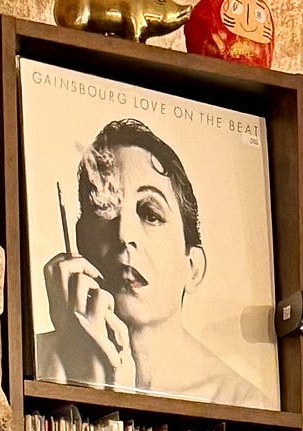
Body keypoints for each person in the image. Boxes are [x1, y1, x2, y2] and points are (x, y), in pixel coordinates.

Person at [36, 117, 269, 407]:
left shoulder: (240, 402)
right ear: (80, 241)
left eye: (150, 214)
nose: (124, 234)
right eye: (106, 210)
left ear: (192, 267)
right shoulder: (32, 362)